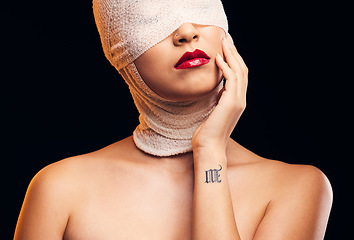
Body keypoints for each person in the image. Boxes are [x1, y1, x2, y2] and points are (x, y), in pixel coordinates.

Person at [14, 0, 332, 239]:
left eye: (198, 5)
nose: (186, 31)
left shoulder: (298, 187)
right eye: (150, 18)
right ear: (116, 51)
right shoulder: (60, 189)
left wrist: (209, 152)